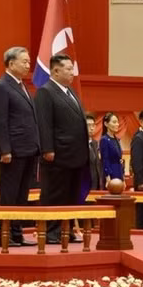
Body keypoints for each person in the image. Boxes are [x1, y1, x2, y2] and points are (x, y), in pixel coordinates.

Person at [34, 53, 90, 244]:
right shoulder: (45, 92)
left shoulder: (70, 91)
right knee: (54, 193)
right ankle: (52, 232)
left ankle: (67, 230)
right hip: (57, 154)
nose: (72, 72)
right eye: (68, 68)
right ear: (56, 71)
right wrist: (47, 149)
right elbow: (44, 123)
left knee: (70, 194)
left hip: (75, 155)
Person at [0, 46, 39, 248]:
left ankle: (17, 234)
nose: (28, 65)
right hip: (14, 151)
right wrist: (5, 149)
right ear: (11, 63)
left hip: (29, 149)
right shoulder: (1, 86)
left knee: (21, 195)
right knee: (9, 194)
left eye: (29, 62)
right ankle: (5, 234)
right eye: (24, 62)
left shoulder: (22, 86)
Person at [99, 112, 125, 184]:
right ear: (106, 124)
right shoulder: (104, 139)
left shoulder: (117, 139)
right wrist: (108, 178)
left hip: (119, 172)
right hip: (111, 174)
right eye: (114, 122)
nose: (117, 124)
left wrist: (123, 177)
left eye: (117, 122)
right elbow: (105, 159)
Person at [86, 113, 104, 195]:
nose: (91, 128)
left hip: (96, 184)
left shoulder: (95, 143)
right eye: (88, 125)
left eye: (93, 125)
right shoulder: (77, 144)